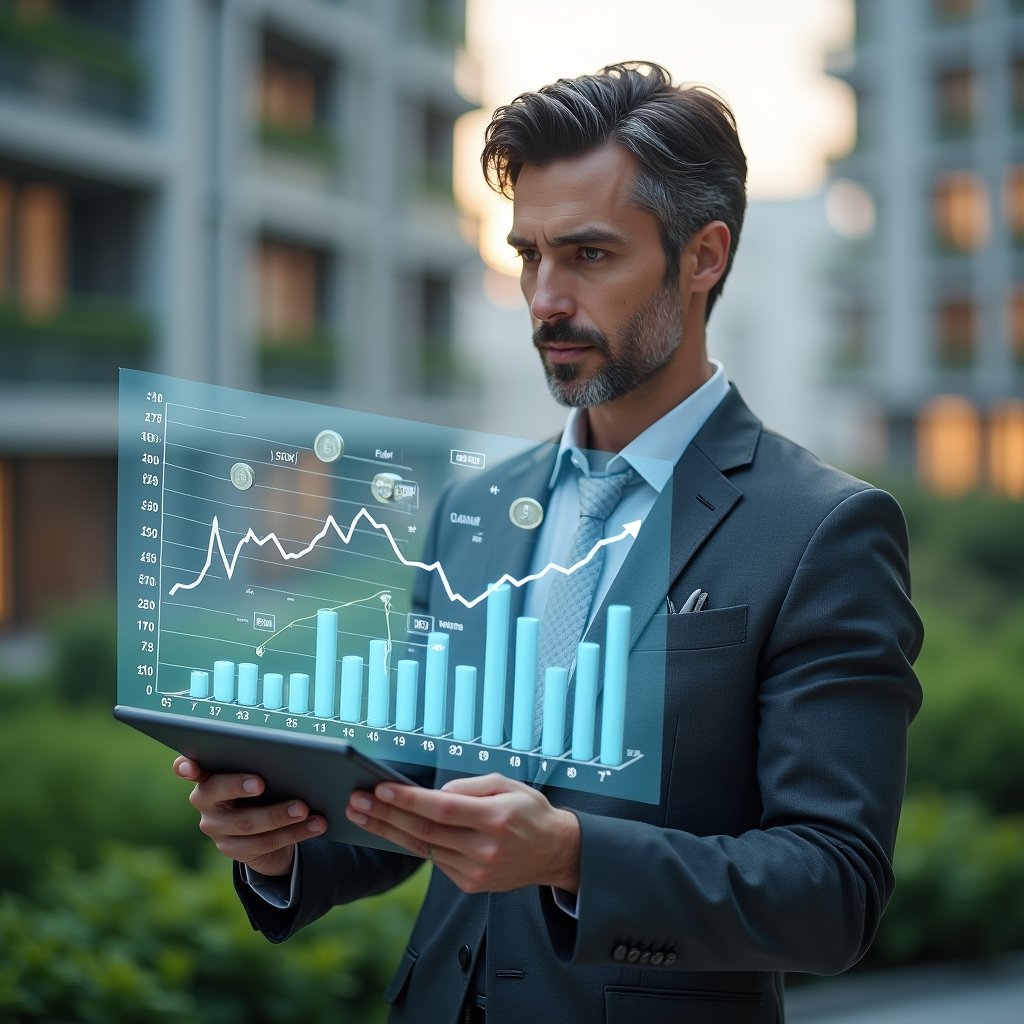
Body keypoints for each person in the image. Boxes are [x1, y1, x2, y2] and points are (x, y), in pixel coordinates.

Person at [175, 62, 923, 1023]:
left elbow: (835, 891)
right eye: (528, 253)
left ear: (703, 257)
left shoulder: (823, 530)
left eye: (589, 255)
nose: (543, 298)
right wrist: (281, 842)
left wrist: (573, 855)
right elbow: (417, 788)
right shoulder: (478, 507)